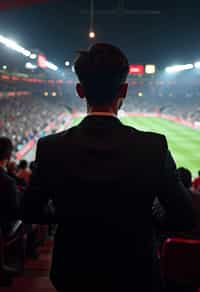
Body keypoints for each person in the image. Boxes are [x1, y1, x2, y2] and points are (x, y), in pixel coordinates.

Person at [21, 43, 194, 292]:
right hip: (136, 273)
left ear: (80, 91)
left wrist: (67, 212)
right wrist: (148, 217)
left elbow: (30, 211)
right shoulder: (153, 146)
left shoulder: (51, 147)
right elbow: (184, 216)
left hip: (73, 272)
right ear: (124, 89)